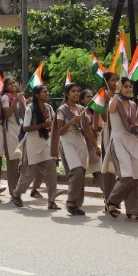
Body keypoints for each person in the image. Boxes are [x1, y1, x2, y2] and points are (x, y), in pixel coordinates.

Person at [105, 77, 138, 220]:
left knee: (134, 177)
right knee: (126, 177)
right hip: (118, 142)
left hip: (132, 142)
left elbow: (133, 123)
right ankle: (112, 201)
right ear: (120, 87)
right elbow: (111, 109)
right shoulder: (114, 102)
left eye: (130, 86)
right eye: (125, 86)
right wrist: (116, 92)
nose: (129, 89)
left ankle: (132, 212)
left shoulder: (133, 104)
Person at [53, 83, 96, 217]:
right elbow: (60, 131)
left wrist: (95, 146)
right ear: (67, 94)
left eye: (78, 91)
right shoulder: (61, 110)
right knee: (76, 173)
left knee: (81, 174)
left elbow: (87, 129)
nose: (76, 93)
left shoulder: (81, 109)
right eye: (73, 91)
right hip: (67, 141)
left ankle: (77, 204)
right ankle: (71, 202)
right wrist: (71, 122)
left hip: (80, 142)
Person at [13, 84, 58, 209]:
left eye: (47, 92)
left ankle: (51, 201)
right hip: (33, 144)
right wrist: (43, 125)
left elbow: (54, 122)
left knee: (51, 172)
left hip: (46, 142)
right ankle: (16, 193)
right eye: (44, 92)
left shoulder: (49, 107)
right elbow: (26, 128)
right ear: (37, 95)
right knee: (29, 174)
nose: (47, 94)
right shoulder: (30, 108)